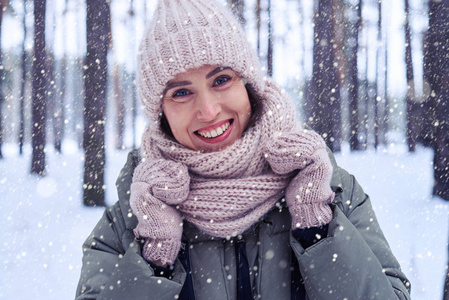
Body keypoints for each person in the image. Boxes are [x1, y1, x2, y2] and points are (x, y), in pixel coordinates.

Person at [75, 0, 411, 299]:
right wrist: (155, 260)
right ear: (160, 111)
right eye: (181, 93)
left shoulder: (331, 188)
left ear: (248, 84)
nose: (208, 111)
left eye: (221, 80)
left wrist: (317, 229)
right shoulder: (130, 218)